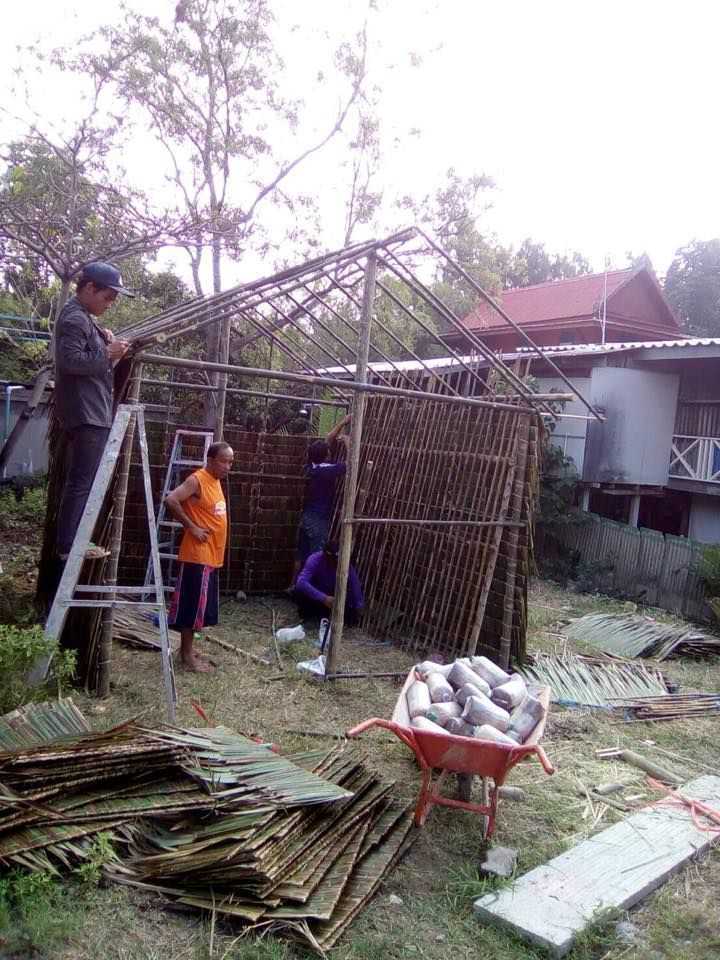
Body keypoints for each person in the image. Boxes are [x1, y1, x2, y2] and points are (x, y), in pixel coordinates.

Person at [55, 262, 133, 560]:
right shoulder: (75, 318)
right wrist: (107, 352)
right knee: (82, 481)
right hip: (87, 412)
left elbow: (85, 353)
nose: (110, 303)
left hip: (90, 410)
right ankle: (70, 544)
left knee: (82, 479)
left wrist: (103, 340)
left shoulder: (83, 318)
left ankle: (71, 542)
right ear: (89, 288)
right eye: (108, 296)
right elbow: (71, 362)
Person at [165, 441, 234, 672]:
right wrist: (191, 527)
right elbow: (171, 500)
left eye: (230, 462)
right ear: (211, 460)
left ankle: (188, 649)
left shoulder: (215, 481)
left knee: (199, 607)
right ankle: (186, 657)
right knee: (192, 606)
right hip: (197, 555)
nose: (228, 467)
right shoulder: (197, 480)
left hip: (211, 555)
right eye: (224, 462)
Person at [290, 414, 351, 585]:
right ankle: (308, 590)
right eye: (328, 451)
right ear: (325, 456)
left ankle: (293, 585)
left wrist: (343, 422)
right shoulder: (327, 471)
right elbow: (351, 465)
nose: (330, 451)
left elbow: (327, 440)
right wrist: (348, 442)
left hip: (306, 517)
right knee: (316, 557)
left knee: (301, 554)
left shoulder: (311, 466)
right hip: (318, 520)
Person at [293, 540, 364, 626]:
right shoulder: (315, 559)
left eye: (337, 560)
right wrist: (324, 598)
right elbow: (301, 582)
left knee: (350, 616)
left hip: (332, 598)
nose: (335, 563)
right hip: (316, 595)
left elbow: (354, 584)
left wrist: (358, 605)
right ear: (325, 555)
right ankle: (309, 615)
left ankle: (323, 615)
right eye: (332, 559)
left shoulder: (344, 563)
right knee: (299, 592)